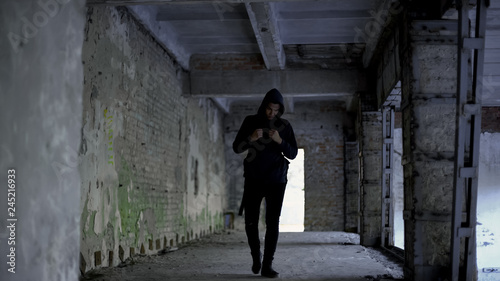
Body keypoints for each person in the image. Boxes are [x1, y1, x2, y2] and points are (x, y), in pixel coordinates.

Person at [232, 88, 298, 278]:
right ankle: (256, 256)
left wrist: (279, 141)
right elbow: (237, 148)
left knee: (272, 223)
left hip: (276, 180)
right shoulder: (250, 122)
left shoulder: (285, 126)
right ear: (264, 106)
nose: (272, 113)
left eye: (276, 110)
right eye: (270, 109)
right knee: (250, 221)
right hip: (253, 178)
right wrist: (250, 138)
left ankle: (267, 265)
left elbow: (292, 154)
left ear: (280, 110)